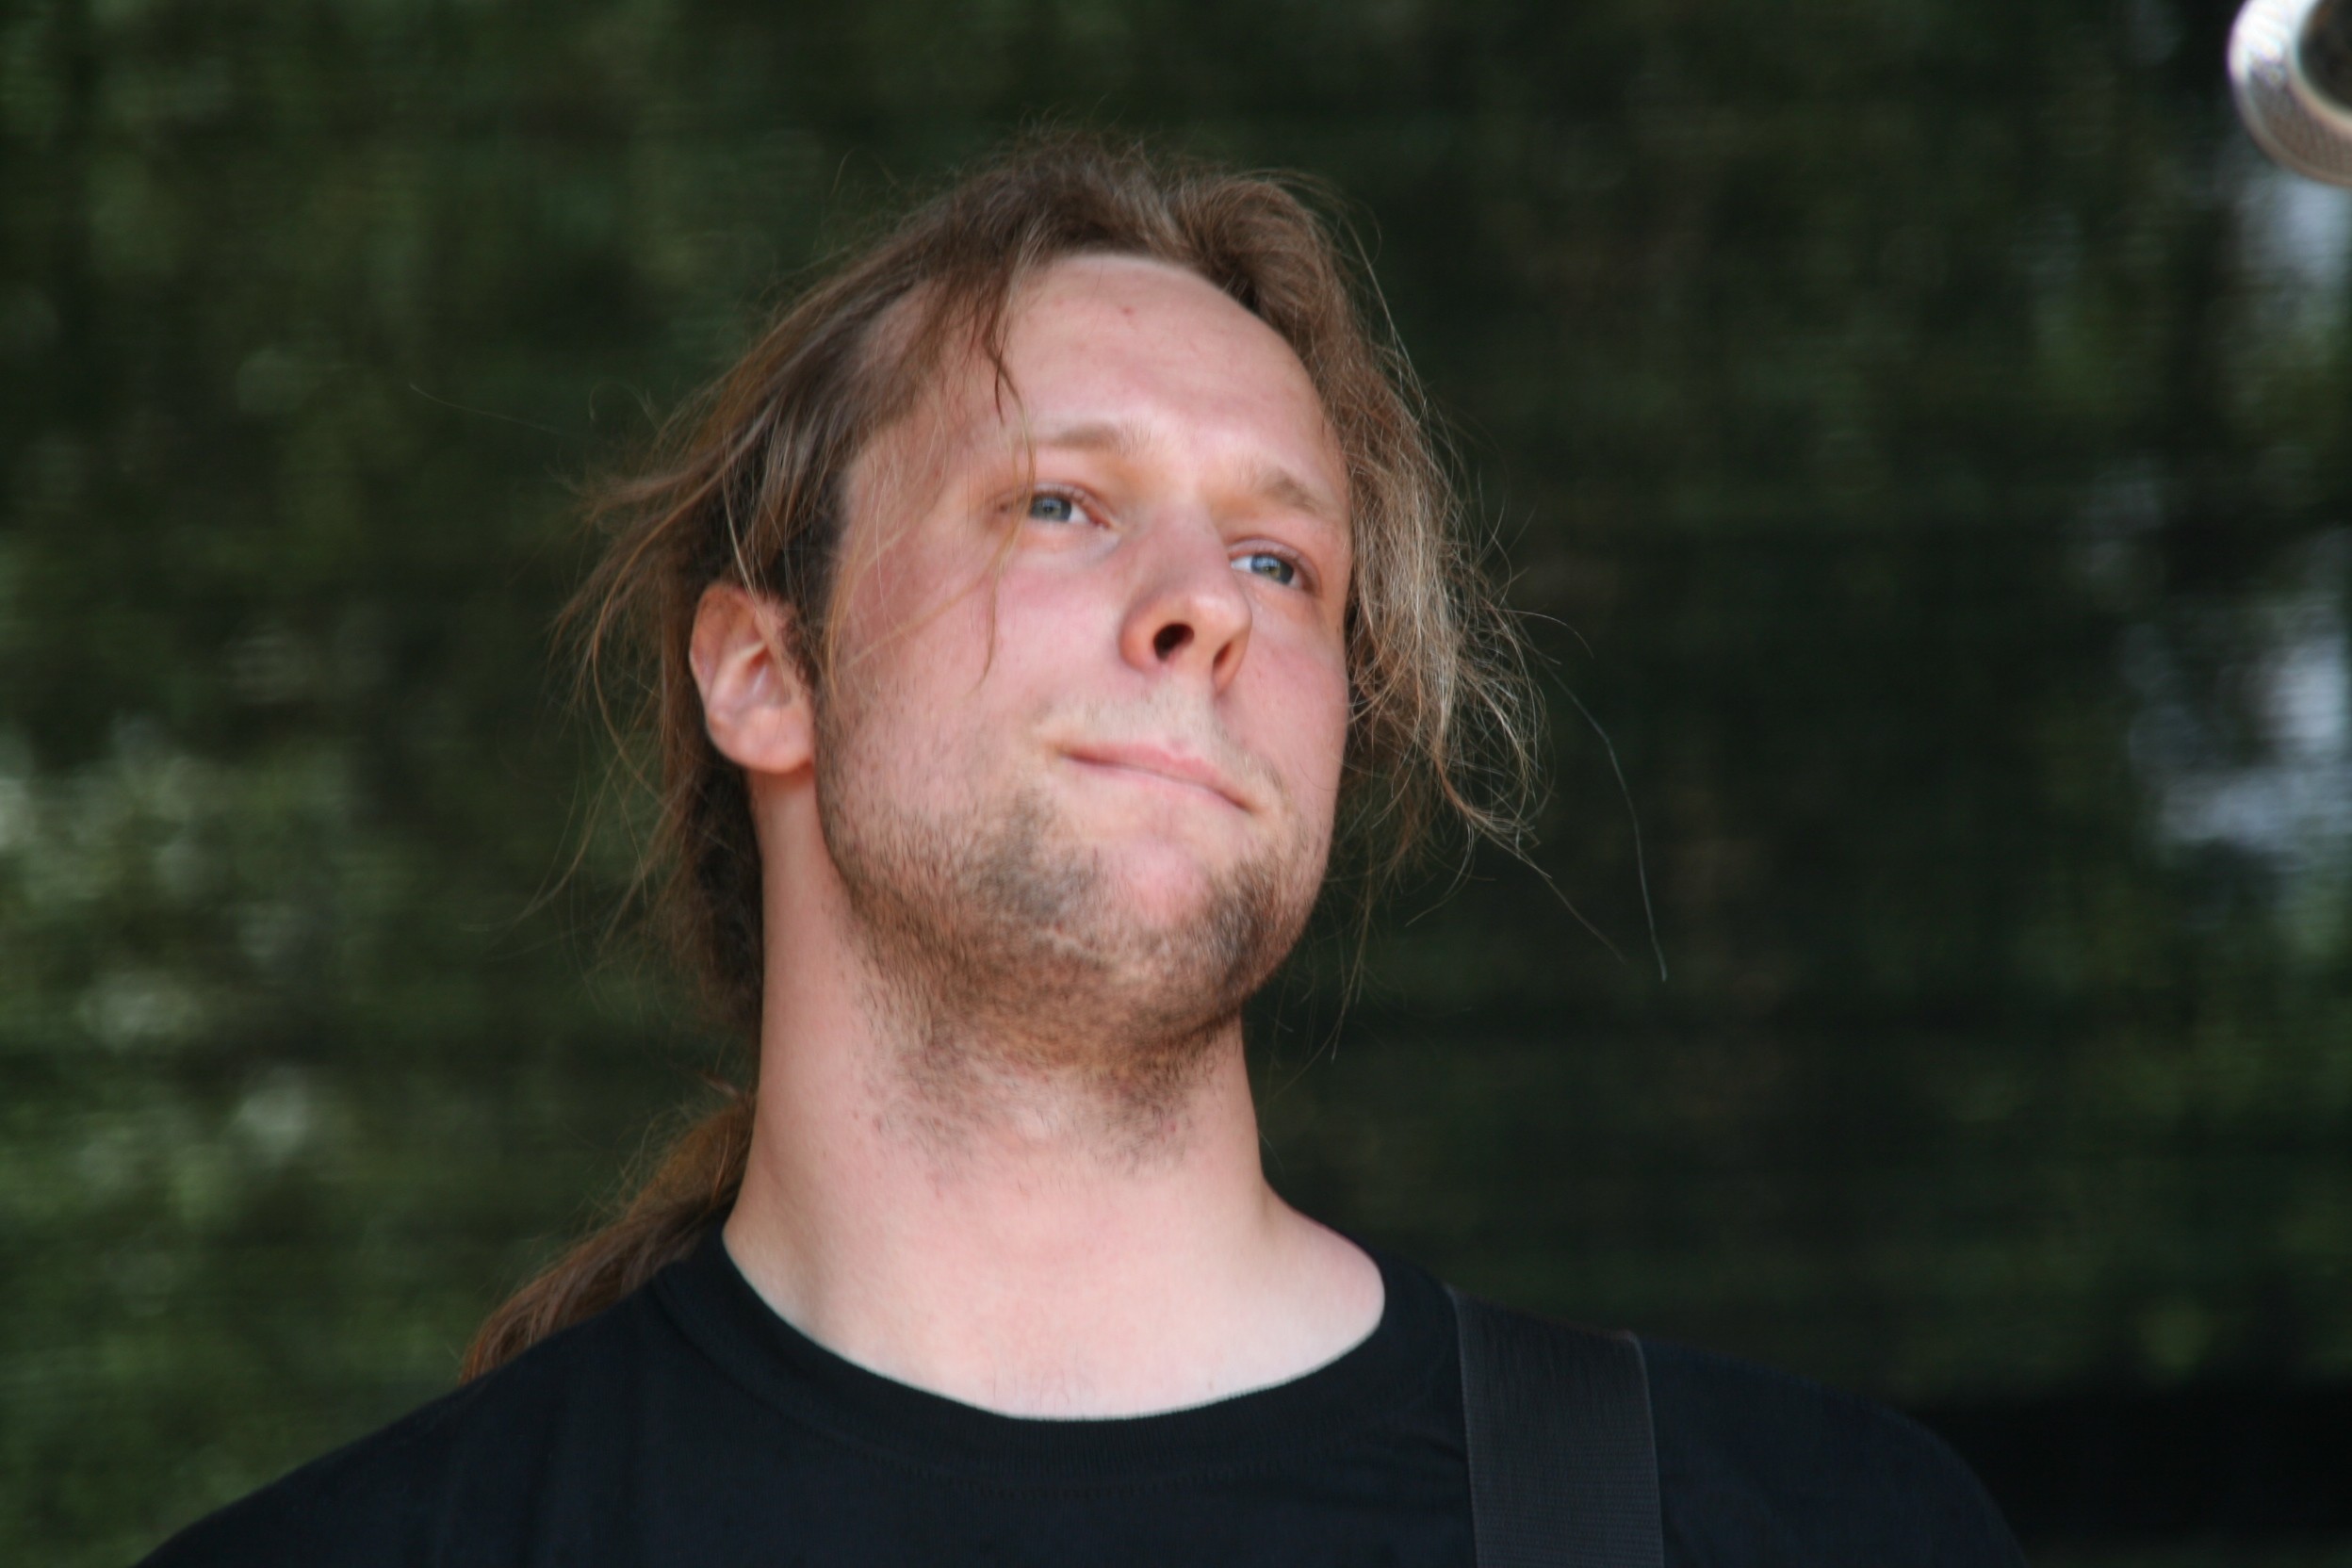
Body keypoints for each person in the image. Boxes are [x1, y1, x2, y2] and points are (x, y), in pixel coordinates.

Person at [143, 136, 2023, 1567]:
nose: (1207, 603)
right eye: (1061, 504)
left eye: (1281, 557)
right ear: (766, 673)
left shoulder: (1799, 1527)